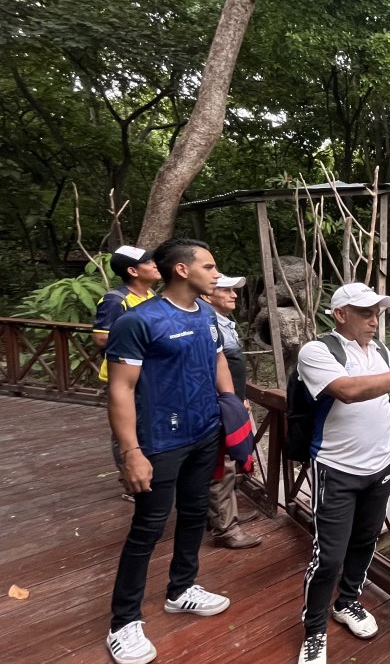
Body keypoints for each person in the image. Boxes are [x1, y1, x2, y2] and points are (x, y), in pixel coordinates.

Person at [295, 283, 390, 664]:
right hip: (336, 469)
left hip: (380, 465)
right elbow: (347, 390)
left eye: (377, 313)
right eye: (365, 313)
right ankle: (314, 630)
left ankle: (347, 602)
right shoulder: (317, 351)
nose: (374, 320)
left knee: (365, 543)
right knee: (329, 556)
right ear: (340, 314)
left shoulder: (379, 350)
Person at [104, 239, 236, 664]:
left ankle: (181, 589)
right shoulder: (138, 321)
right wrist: (131, 452)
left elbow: (218, 362)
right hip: (159, 441)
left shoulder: (207, 315)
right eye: (209, 266)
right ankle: (124, 621)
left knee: (195, 513)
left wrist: (233, 410)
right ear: (181, 269)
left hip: (205, 433)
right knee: (148, 528)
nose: (217, 274)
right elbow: (120, 389)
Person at [200, 273, 262, 550]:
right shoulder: (206, 323)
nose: (234, 294)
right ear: (206, 294)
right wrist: (231, 401)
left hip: (228, 403)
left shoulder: (222, 322)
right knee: (222, 464)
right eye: (225, 290)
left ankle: (221, 515)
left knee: (227, 461)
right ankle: (226, 529)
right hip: (219, 407)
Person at [93, 245, 161, 495]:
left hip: (148, 374)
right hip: (120, 375)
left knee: (148, 424)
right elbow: (101, 337)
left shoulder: (151, 295)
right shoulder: (115, 300)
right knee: (125, 429)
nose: (155, 265)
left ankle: (151, 474)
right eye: (149, 262)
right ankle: (129, 481)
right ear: (133, 271)